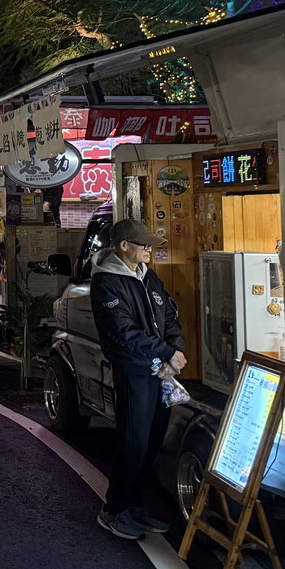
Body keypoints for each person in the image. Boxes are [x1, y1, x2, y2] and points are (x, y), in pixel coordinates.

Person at [91, 218, 185, 540]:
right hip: (134, 370)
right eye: (144, 244)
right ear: (123, 246)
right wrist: (166, 352)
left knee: (153, 441)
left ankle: (135, 506)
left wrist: (174, 351)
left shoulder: (148, 276)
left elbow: (170, 314)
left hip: (161, 369)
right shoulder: (106, 282)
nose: (149, 249)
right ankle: (113, 510)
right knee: (134, 442)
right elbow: (122, 332)